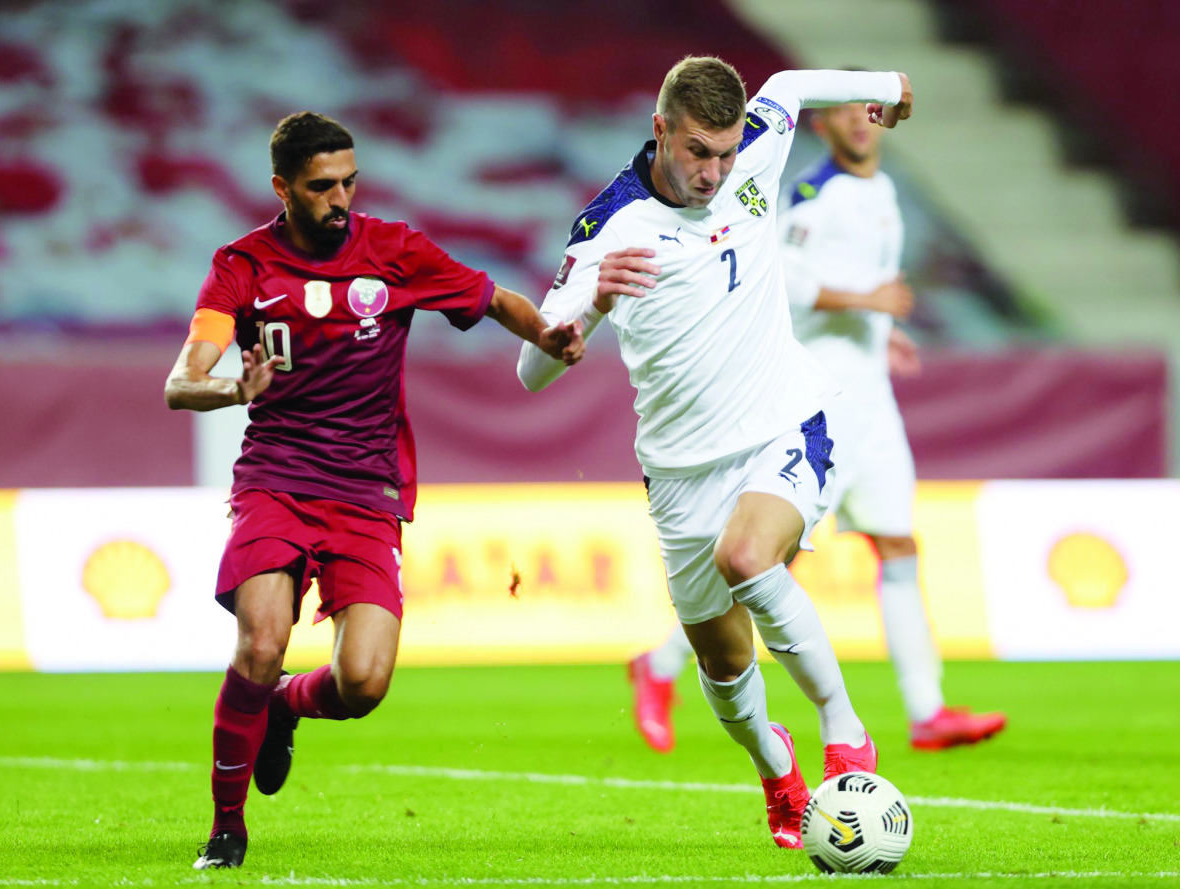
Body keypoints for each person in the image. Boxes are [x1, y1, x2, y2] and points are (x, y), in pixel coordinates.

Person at [165, 111, 586, 870]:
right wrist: (233, 388)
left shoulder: (395, 251)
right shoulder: (242, 266)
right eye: (321, 186)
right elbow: (180, 383)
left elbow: (490, 297)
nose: (340, 199)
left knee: (363, 681)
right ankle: (227, 827)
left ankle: (286, 707)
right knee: (260, 641)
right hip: (277, 480)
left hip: (366, 489)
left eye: (349, 182)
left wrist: (546, 333)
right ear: (282, 188)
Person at [518, 57, 912, 850]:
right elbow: (530, 372)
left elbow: (791, 87)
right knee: (726, 668)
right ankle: (776, 767)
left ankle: (846, 729)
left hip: (786, 420)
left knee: (748, 556)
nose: (717, 172)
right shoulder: (609, 231)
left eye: (729, 153)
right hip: (679, 472)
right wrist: (589, 309)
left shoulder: (753, 152)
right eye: (700, 151)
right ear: (660, 129)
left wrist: (889, 84)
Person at [626, 100, 1007, 756]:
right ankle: (660, 664)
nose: (860, 124)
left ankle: (927, 708)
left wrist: (880, 336)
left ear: (883, 121)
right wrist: (867, 302)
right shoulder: (810, 196)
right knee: (767, 561)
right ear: (824, 125)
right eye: (844, 114)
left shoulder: (882, 190)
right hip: (819, 399)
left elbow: (861, 290)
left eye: (870, 113)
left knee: (895, 542)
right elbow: (781, 280)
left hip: (872, 396)